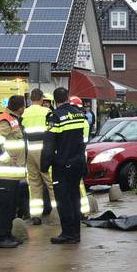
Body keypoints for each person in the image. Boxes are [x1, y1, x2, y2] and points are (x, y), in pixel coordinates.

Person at [41, 87, 88, 244]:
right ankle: (76, 233)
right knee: (75, 198)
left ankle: (68, 233)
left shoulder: (55, 117)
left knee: (63, 200)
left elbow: (49, 145)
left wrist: (44, 165)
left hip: (62, 165)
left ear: (55, 101)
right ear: (67, 98)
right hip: (78, 162)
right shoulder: (79, 114)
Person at [0, 95, 27, 248]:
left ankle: (7, 234)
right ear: (20, 108)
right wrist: (7, 160)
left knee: (10, 206)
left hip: (11, 173)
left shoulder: (13, 120)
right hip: (5, 172)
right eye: (24, 105)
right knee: (3, 206)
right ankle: (0, 237)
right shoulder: (6, 120)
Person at [22, 88, 54, 223]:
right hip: (44, 151)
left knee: (34, 185)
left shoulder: (24, 113)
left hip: (29, 152)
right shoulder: (47, 112)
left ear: (30, 99)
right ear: (41, 99)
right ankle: (58, 213)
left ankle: (36, 215)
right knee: (51, 183)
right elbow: (52, 131)